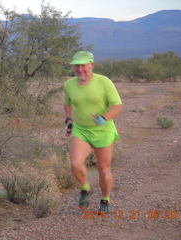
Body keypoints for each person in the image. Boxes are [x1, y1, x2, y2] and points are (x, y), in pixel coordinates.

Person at [63, 51, 122, 213]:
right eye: (77, 65)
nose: (80, 69)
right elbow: (67, 103)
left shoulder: (104, 82)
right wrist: (68, 120)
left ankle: (105, 200)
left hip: (102, 130)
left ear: (91, 65)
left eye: (83, 65)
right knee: (75, 163)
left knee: (103, 169)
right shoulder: (69, 85)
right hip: (81, 129)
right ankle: (85, 188)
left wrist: (105, 117)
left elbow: (117, 106)